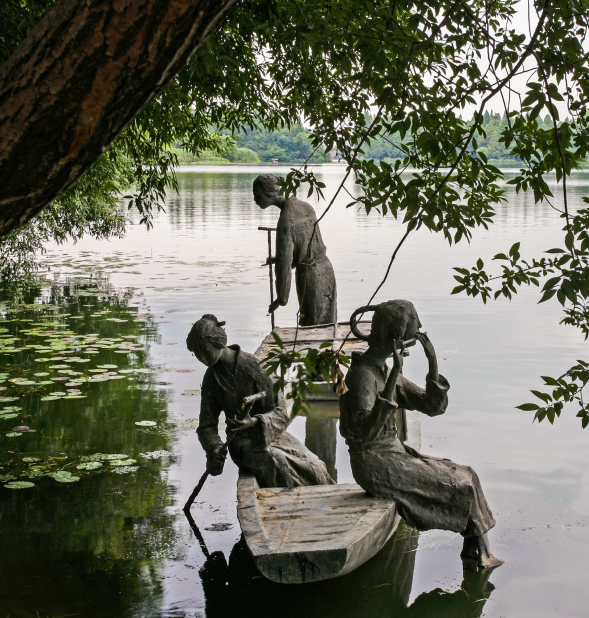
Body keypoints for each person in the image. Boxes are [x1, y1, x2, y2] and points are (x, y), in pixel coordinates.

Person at [339, 300, 503, 568]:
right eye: (413, 325)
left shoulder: (379, 368)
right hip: (374, 463)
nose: (419, 329)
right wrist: (394, 375)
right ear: (396, 335)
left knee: (467, 473)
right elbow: (364, 432)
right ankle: (479, 554)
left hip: (391, 454)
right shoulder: (362, 376)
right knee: (460, 485)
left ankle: (477, 550)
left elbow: (432, 406)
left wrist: (432, 364)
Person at [187, 314, 333, 488]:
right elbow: (207, 426)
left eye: (205, 351)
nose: (202, 358)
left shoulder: (253, 366)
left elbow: (280, 413)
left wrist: (255, 421)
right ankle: (295, 501)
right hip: (242, 445)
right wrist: (214, 448)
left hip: (270, 434)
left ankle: (320, 493)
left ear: (217, 342)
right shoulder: (212, 379)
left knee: (314, 465)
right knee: (280, 463)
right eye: (197, 354)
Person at [253, 174, 337, 326]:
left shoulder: (286, 220)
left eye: (256, 194)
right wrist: (279, 258)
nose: (255, 200)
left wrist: (281, 298)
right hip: (326, 269)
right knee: (328, 323)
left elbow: (284, 265)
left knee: (312, 325)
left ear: (269, 192)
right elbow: (305, 243)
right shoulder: (305, 206)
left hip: (310, 277)